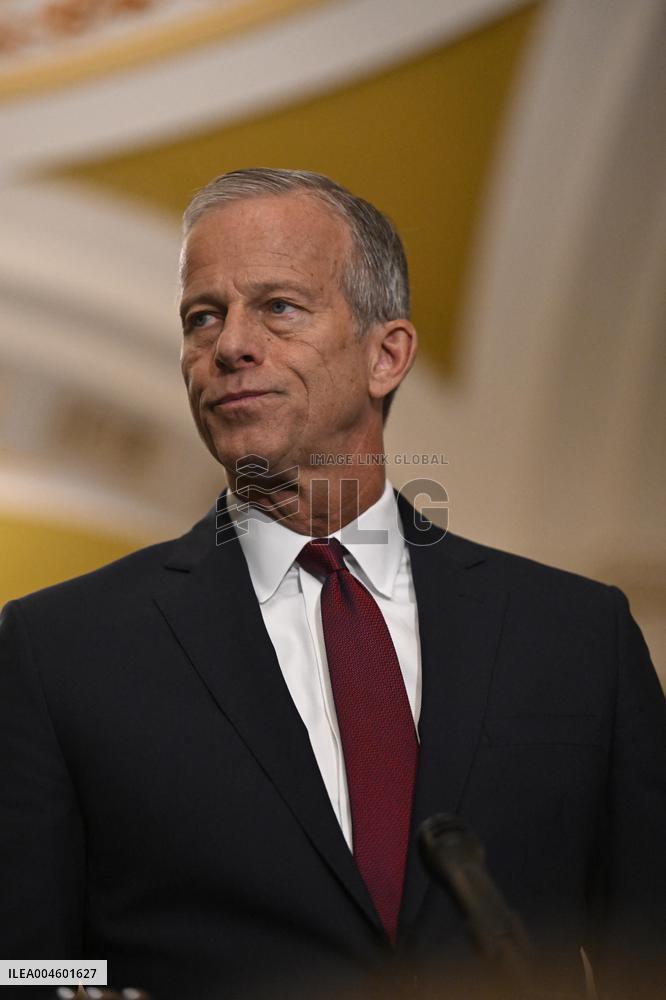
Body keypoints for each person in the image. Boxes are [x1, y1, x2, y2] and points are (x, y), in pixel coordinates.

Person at [0, 169, 664, 1000]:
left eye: (278, 307)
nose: (230, 344)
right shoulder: (60, 648)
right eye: (202, 316)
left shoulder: (576, 636)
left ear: (387, 354)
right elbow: (21, 965)